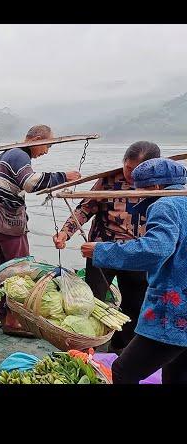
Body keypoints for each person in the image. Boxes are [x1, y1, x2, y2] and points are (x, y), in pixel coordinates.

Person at [81, 158, 187, 383]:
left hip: (173, 312)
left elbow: (155, 249)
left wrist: (101, 251)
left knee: (123, 371)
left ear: (156, 187)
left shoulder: (166, 204)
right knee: (177, 373)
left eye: (141, 189)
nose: (137, 194)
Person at [0, 124, 81, 335]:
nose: (46, 151)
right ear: (36, 139)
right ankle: (13, 320)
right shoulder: (20, 155)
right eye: (46, 146)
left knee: (4, 267)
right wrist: (64, 177)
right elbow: (30, 183)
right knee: (20, 270)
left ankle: (0, 311)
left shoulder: (5, 154)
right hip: (8, 221)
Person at [53, 141, 160, 352]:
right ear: (123, 162)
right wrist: (65, 232)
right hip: (101, 251)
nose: (131, 175)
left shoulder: (158, 186)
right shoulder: (109, 180)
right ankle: (86, 348)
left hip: (137, 255)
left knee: (134, 307)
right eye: (128, 168)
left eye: (137, 171)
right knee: (91, 302)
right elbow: (85, 208)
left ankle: (121, 352)